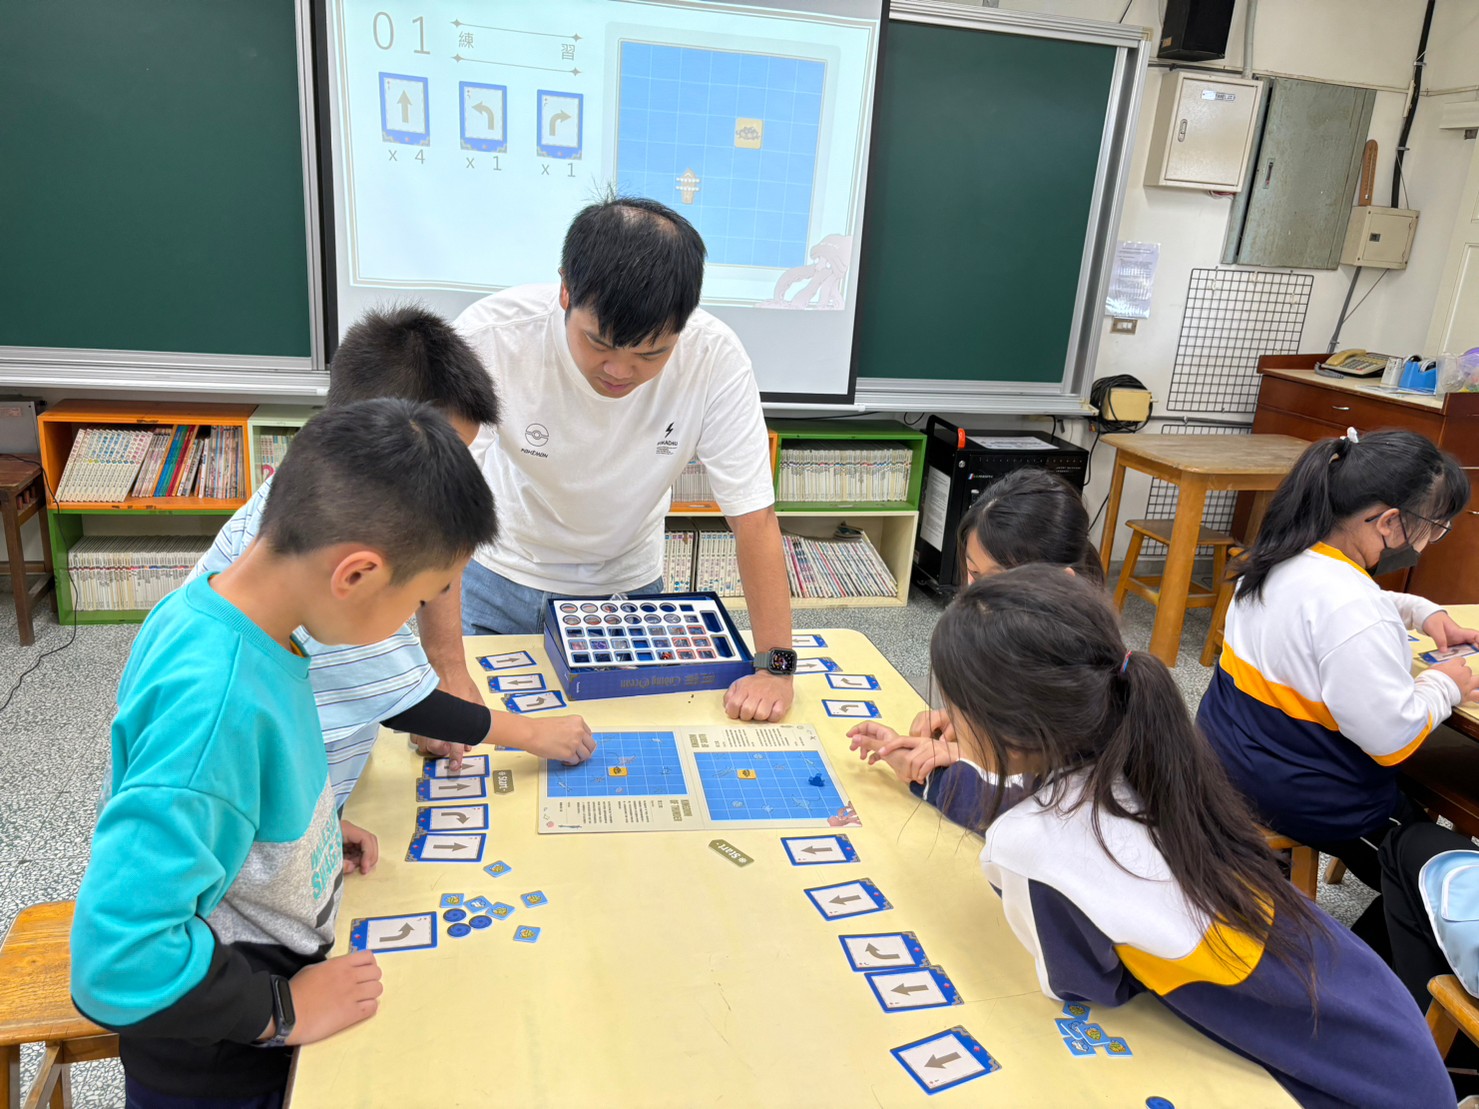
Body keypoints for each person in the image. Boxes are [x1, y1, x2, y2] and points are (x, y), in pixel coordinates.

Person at [856, 567, 1454, 1109]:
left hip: (1340, 1088)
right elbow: (1055, 814)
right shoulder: (1142, 752)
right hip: (1384, 1023)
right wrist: (936, 778)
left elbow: (1086, 986)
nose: (946, 722)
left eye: (955, 708)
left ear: (1008, 727)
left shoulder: (1026, 848)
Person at [72, 400, 499, 1107]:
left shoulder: (225, 612)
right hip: (224, 1063)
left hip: (259, 993)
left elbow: (228, 803)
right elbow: (118, 961)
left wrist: (310, 833)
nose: (415, 620)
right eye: (420, 600)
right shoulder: (217, 704)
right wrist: (284, 1008)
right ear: (355, 575)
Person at [188, 306, 594, 805]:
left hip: (302, 810)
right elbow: (407, 702)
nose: (451, 477)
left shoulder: (292, 511)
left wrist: (320, 829)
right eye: (416, 601)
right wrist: (531, 734)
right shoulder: (327, 581)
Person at [450, 196, 796, 722]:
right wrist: (447, 670)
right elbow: (440, 504)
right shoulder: (491, 337)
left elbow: (754, 516)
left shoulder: (715, 357)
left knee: (625, 737)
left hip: (627, 592)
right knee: (480, 739)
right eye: (599, 343)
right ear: (565, 290)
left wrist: (775, 667)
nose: (619, 371)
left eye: (650, 354)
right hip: (499, 577)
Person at [1195, 429, 1477, 955]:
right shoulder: (1352, 606)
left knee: (1418, 796)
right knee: (1438, 873)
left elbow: (1339, 608)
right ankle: (1371, 973)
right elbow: (1392, 740)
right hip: (1300, 794)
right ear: (1389, 522)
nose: (1426, 542)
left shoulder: (1279, 557)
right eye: (1432, 526)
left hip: (1226, 755)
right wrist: (1447, 683)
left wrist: (1423, 612)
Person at [852, 468, 1102, 820]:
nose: (979, 594)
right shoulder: (1035, 639)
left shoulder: (1078, 681)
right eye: (974, 573)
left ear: (1062, 583)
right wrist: (969, 728)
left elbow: (1018, 807)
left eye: (999, 579)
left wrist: (945, 767)